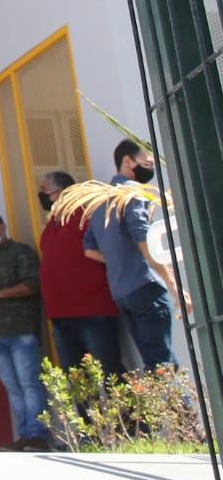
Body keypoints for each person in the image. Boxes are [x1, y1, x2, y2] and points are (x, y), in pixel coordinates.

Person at [83, 140, 191, 369]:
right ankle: (177, 405)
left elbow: (90, 250)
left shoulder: (100, 200)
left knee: (152, 360)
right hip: (145, 285)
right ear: (128, 161)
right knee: (163, 362)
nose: (151, 167)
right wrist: (175, 286)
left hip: (121, 291)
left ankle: (166, 404)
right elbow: (144, 240)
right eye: (147, 162)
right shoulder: (133, 193)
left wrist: (119, 259)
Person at [0, 212, 51, 451]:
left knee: (29, 383)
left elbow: (33, 284)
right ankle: (26, 434)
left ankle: (38, 435)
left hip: (21, 329)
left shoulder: (21, 253)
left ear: (2, 227)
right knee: (13, 387)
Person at [37, 170, 123, 374]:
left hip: (92, 311)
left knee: (109, 373)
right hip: (60, 315)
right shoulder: (51, 225)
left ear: (64, 191)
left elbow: (107, 253)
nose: (42, 196)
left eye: (46, 191)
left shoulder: (86, 216)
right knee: (76, 380)